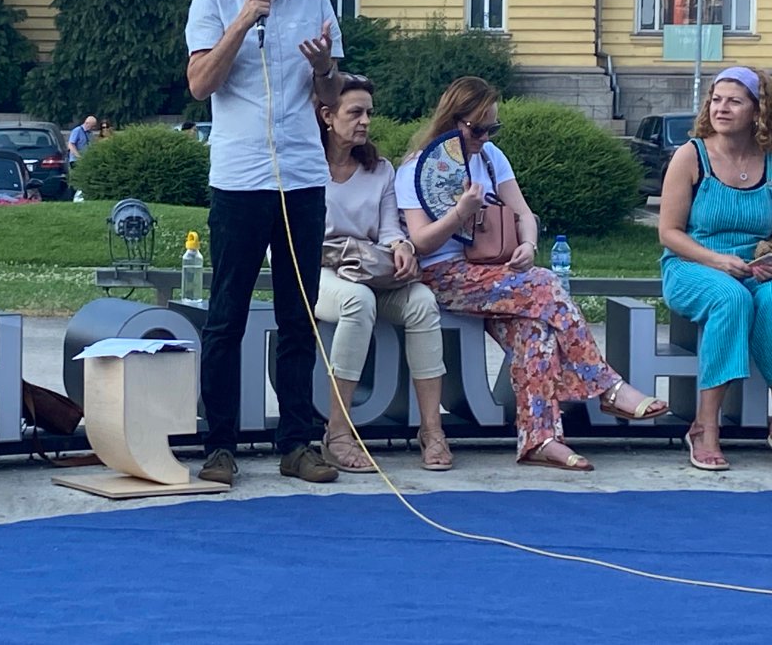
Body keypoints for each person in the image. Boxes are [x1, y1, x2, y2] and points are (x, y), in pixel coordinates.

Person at [394, 76, 668, 471]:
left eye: (493, 128)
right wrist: (460, 213)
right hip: (445, 276)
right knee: (546, 283)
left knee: (534, 331)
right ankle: (607, 386)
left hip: (495, 272)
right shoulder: (418, 168)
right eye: (477, 128)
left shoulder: (491, 157)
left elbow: (523, 213)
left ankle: (541, 440)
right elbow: (420, 243)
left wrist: (528, 244)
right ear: (453, 121)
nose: (485, 137)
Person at [185, 0, 344, 485]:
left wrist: (325, 69)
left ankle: (297, 443)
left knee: (298, 316)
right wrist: (243, 21)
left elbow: (331, 97)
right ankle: (219, 447)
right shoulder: (213, 0)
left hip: (300, 178)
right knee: (225, 317)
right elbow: (200, 84)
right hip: (239, 181)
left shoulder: (316, 2)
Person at [314, 74, 451, 472]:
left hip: (368, 268)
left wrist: (402, 246)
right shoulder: (304, 166)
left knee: (422, 302)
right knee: (357, 302)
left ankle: (432, 431)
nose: (365, 121)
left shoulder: (380, 170)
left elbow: (390, 229)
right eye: (355, 112)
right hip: (317, 270)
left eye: (369, 113)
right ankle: (338, 433)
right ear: (327, 115)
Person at [659, 66, 772, 471]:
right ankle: (705, 427)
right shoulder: (691, 155)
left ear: (758, 110)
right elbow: (669, 233)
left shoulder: (769, 160)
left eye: (734, 101)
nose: (721, 108)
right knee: (731, 298)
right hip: (691, 265)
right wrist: (717, 261)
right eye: (716, 100)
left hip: (752, 270)